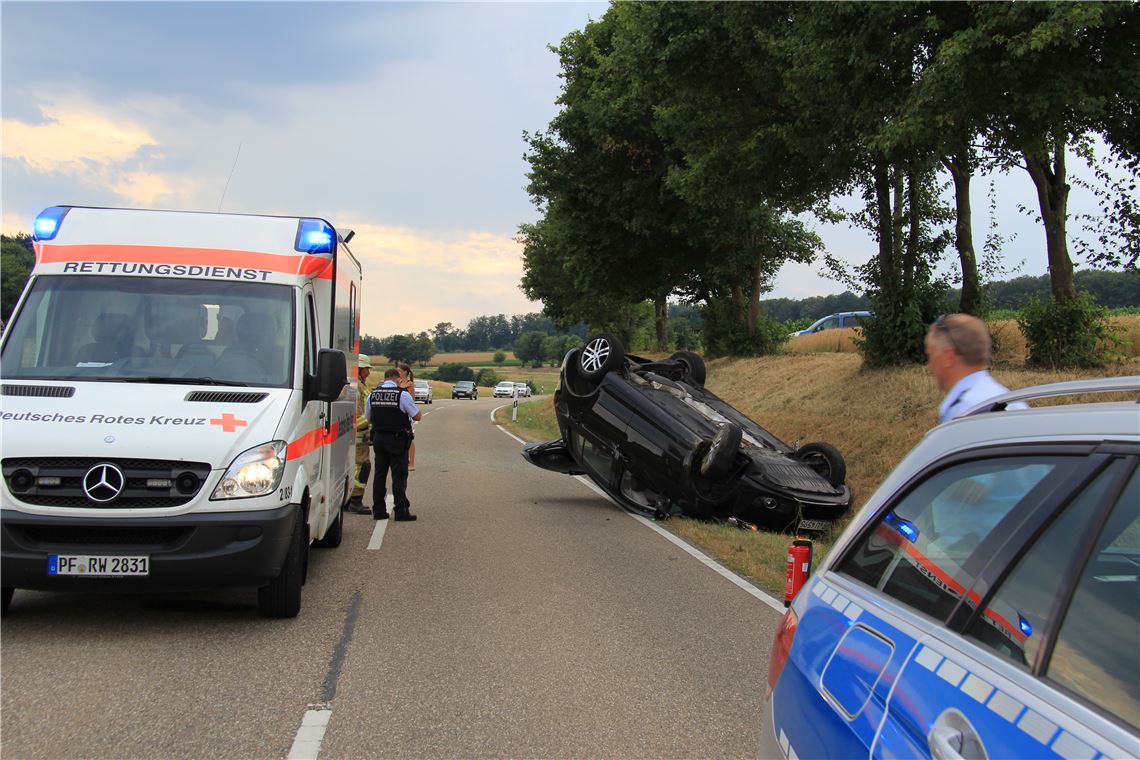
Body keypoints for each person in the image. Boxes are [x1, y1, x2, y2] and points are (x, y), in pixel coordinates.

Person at [925, 313, 1028, 423]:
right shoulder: (1013, 402)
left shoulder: (963, 412)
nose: (930, 365)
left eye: (931, 354)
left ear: (948, 357)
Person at [365, 367, 422, 521]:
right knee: (399, 476)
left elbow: (367, 417)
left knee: (379, 475)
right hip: (397, 440)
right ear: (397, 379)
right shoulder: (402, 395)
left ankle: (378, 511)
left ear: (385, 379)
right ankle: (401, 511)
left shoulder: (373, 395)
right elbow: (417, 416)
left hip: (378, 439)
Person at [346, 354, 373, 514]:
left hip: (358, 435)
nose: (369, 373)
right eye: (367, 369)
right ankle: (355, 500)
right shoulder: (357, 387)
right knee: (362, 466)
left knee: (356, 466)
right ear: (360, 369)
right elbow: (357, 417)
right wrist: (372, 422)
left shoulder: (357, 384)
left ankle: (350, 499)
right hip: (359, 436)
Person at [397, 362, 418, 470]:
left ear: (405, 372)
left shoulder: (409, 384)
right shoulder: (398, 382)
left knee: (409, 437)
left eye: (400, 371)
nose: (398, 373)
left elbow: (412, 399)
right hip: (398, 413)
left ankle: (411, 463)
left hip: (406, 413)